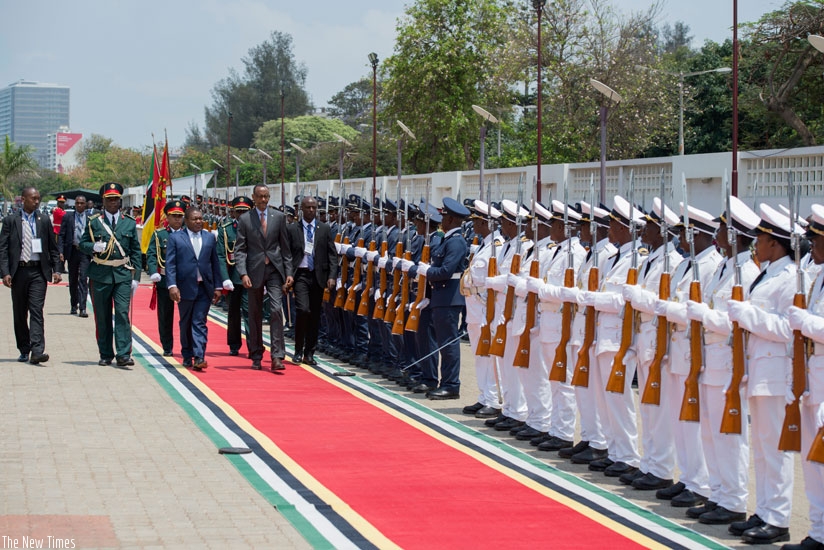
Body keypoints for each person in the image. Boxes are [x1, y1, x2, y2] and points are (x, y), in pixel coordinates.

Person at [79, 182, 142, 368]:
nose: (113, 202)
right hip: (100, 274)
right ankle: (106, 353)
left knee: (122, 313)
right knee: (103, 316)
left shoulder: (129, 222)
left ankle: (124, 354)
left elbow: (136, 252)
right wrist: (93, 247)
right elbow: (82, 244)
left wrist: (136, 277)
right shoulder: (94, 222)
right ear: (103, 201)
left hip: (122, 274)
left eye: (116, 199)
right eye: (109, 199)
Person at [234, 184, 294, 372]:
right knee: (255, 313)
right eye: (260, 197)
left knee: (276, 310)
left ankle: (277, 356)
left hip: (275, 270)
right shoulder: (245, 219)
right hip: (254, 271)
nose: (263, 200)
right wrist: (243, 273)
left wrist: (289, 272)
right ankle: (256, 354)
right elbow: (240, 249)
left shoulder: (279, 218)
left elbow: (285, 248)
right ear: (253, 197)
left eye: (266, 196)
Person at [0, 186, 62, 364]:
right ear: (23, 199)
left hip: (38, 272)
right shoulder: (11, 220)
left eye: (38, 198)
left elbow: (52, 247)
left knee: (36, 310)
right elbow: (3, 249)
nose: (36, 201)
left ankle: (37, 350)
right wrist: (4, 272)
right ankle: (24, 348)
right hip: (18, 272)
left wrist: (57, 269)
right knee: (20, 312)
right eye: (33, 198)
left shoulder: (43, 220)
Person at [416, 197, 470, 399]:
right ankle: (443, 381)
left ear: (453, 220)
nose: (442, 219)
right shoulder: (448, 239)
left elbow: (446, 271)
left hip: (449, 298)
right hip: (441, 297)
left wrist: (427, 271)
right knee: (442, 342)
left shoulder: (456, 242)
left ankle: (451, 384)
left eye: (445, 216)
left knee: (448, 344)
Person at [166, 207, 226, 371]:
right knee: (186, 322)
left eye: (200, 218)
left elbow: (215, 262)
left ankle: (199, 356)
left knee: (199, 322)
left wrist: (218, 286)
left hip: (204, 288)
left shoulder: (209, 238)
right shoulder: (176, 238)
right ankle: (187, 354)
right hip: (184, 287)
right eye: (195, 219)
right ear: (186, 220)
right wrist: (172, 285)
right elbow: (170, 264)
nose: (199, 221)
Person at [287, 196, 337, 365]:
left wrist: (331, 276)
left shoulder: (323, 228)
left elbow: (332, 254)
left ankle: (309, 353)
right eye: (307, 207)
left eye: (313, 208)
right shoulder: (293, 228)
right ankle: (298, 349)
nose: (310, 210)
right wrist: (288, 275)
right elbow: (286, 255)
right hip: (300, 274)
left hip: (318, 276)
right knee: (303, 310)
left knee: (315, 315)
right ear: (301, 209)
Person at [146, 200, 186, 356]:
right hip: (164, 280)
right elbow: (151, 254)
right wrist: (152, 271)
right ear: (167, 217)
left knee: (186, 315)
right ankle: (167, 346)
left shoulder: (188, 234)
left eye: (180, 216)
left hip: (184, 280)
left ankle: (187, 346)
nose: (177, 219)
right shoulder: (159, 234)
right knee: (165, 316)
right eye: (174, 216)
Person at [217, 196, 253, 356]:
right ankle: (234, 344)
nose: (241, 214)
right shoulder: (226, 230)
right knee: (233, 313)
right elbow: (220, 256)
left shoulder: (256, 229)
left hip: (250, 277)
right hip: (232, 277)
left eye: (244, 211)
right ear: (233, 212)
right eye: (238, 211)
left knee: (250, 312)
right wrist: (224, 278)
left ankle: (253, 346)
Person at [57, 194, 91, 317]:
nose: (79, 205)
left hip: (85, 252)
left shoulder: (90, 218)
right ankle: (73, 304)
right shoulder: (68, 217)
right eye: (77, 203)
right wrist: (60, 251)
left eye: (82, 203)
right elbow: (61, 235)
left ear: (85, 204)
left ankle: (82, 308)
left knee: (83, 278)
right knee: (73, 279)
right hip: (72, 251)